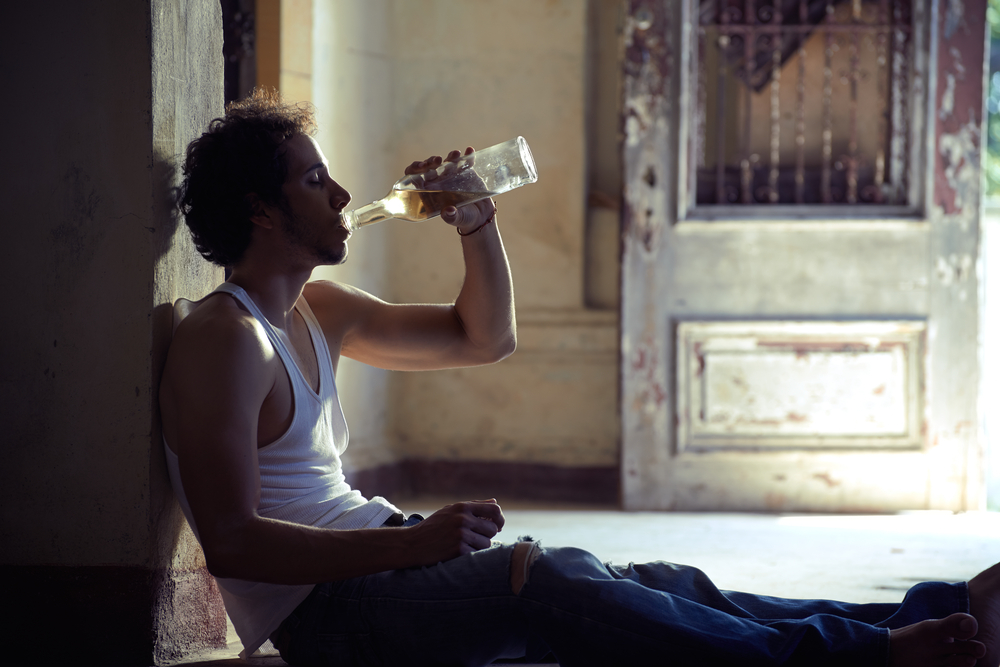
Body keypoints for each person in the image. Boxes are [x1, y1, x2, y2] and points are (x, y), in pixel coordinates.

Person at [159, 88, 1000, 667]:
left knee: (649, 584)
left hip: (379, 559)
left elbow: (483, 338)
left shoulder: (320, 310)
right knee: (549, 578)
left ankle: (934, 609)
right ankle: (873, 656)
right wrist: (412, 541)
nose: (342, 192)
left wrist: (475, 221)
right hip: (330, 615)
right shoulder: (224, 339)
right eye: (314, 179)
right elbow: (233, 539)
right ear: (262, 211)